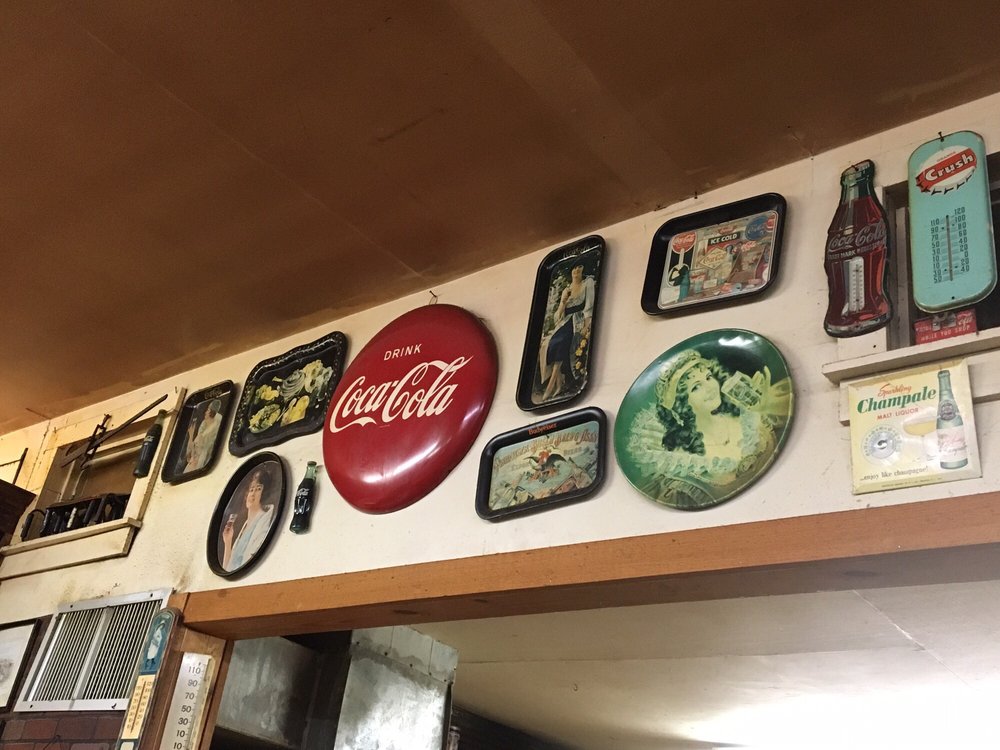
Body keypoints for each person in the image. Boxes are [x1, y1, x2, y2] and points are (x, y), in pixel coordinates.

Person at [626, 350, 788, 509]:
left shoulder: (748, 417)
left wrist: (768, 406)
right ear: (681, 404)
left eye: (709, 377)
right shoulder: (684, 464)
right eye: (696, 387)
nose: (710, 388)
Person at [537, 263, 595, 402]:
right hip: (565, 323)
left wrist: (586, 325)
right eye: (574, 268)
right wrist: (563, 302)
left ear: (583, 269)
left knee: (562, 342)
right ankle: (558, 384)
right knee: (549, 343)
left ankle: (550, 388)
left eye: (579, 267)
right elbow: (557, 317)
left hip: (577, 321)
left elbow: (589, 307)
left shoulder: (587, 284)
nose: (576, 270)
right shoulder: (567, 289)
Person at [221, 467, 275, 571]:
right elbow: (228, 570)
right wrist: (228, 542)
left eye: (258, 489)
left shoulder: (263, 522)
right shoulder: (245, 525)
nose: (252, 494)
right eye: (251, 489)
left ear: (264, 493)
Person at [182, 399, 223, 473]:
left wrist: (191, 435)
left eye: (208, 410)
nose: (205, 412)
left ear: (211, 412)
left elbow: (194, 452)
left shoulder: (209, 433)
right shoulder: (203, 426)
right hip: (194, 461)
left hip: (197, 462)